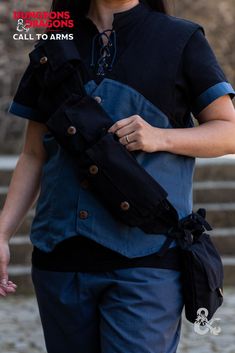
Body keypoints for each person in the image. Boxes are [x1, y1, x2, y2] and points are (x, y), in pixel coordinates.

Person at [1, 0, 235, 352]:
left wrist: (160, 137)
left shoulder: (180, 39)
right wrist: (2, 234)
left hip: (147, 262)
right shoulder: (55, 43)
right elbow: (34, 154)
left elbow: (228, 130)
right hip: (61, 263)